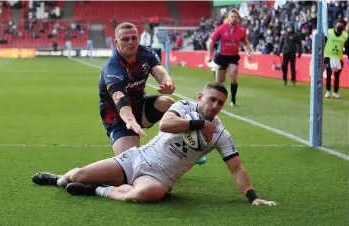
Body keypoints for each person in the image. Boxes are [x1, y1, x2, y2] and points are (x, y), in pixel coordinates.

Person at [32, 82, 277, 206]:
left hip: (160, 177)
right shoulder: (183, 107)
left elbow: (237, 169)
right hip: (137, 158)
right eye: (212, 99)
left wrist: (252, 196)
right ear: (201, 97)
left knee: (147, 194)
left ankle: (96, 190)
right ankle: (58, 179)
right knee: (81, 173)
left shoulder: (221, 134)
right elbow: (165, 125)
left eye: (220, 103)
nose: (215, 106)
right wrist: (199, 125)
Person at [98, 22, 175, 156]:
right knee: (130, 163)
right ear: (116, 42)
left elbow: (161, 73)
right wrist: (129, 119)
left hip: (140, 107)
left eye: (134, 38)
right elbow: (118, 97)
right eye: (125, 39)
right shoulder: (113, 67)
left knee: (169, 104)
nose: (131, 42)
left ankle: (180, 145)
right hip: (118, 118)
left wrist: (167, 83)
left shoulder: (146, 54)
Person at [207, 8, 252, 107]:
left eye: (236, 17)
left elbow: (245, 43)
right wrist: (209, 55)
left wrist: (248, 52)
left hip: (233, 57)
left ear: (238, 19)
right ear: (228, 18)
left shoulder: (241, 31)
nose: (234, 19)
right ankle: (217, 100)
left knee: (233, 75)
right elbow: (212, 41)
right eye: (232, 17)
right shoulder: (221, 28)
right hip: (221, 56)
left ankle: (233, 100)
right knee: (219, 82)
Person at [323, 19, 349, 99]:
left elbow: (347, 47)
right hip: (328, 56)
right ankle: (328, 91)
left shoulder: (345, 35)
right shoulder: (329, 32)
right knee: (329, 74)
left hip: (338, 58)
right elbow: (323, 42)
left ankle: (335, 92)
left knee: (337, 76)